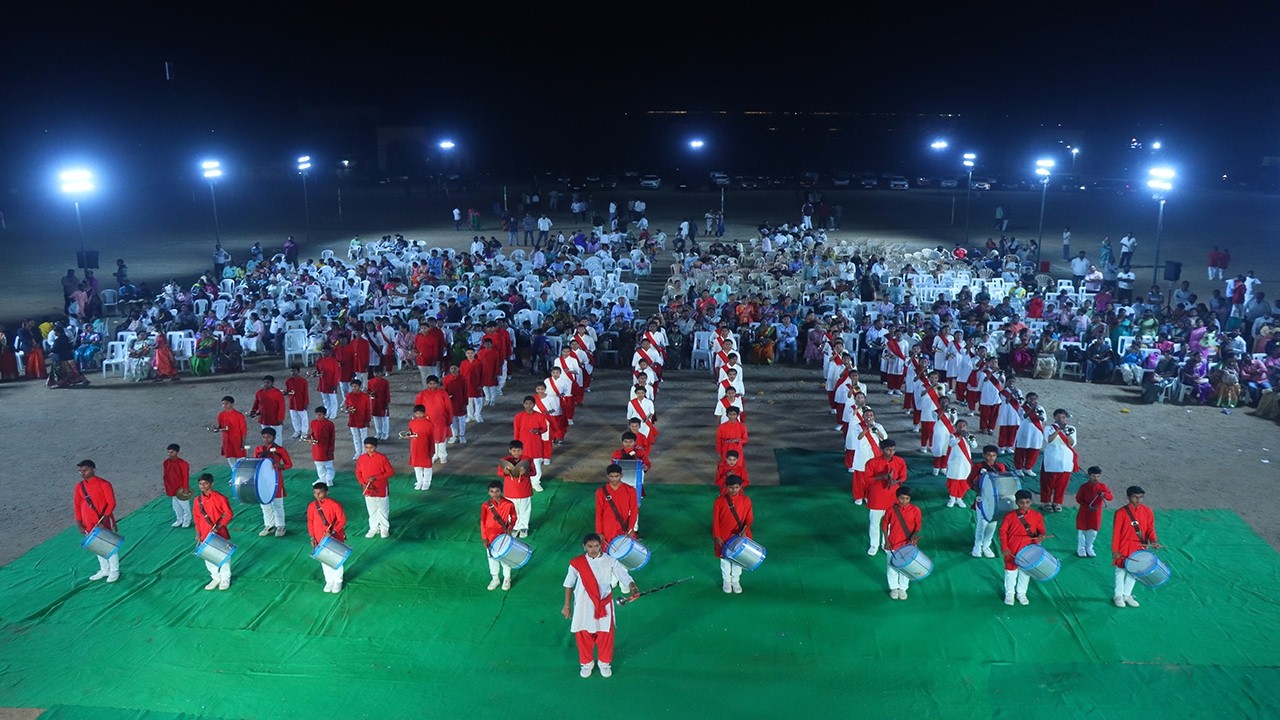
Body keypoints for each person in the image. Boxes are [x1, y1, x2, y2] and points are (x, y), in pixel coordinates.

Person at [562, 533, 639, 678]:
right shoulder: (576, 563)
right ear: (584, 546)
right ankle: (586, 663)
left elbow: (624, 575)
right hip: (583, 605)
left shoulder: (610, 561)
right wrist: (567, 606)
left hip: (604, 604)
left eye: (596, 546)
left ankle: (604, 663)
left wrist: (633, 588)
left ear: (601, 545)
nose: (593, 549)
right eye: (590, 546)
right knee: (583, 634)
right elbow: (569, 584)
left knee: (605, 635)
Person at [1112, 485, 1161, 608]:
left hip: (1140, 546)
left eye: (1141, 497)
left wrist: (1154, 540)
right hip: (1124, 545)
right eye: (1135, 497)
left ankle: (1127, 595)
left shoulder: (1148, 511)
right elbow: (1116, 532)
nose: (1138, 500)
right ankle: (1118, 595)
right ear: (1128, 497)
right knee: (1121, 571)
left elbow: (1150, 528)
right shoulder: (1121, 513)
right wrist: (1115, 550)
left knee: (1135, 571)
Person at [74, 460, 119, 582]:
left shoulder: (104, 484)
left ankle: (114, 570)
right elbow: (77, 505)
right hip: (87, 522)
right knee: (96, 546)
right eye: (80, 471)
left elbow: (111, 503)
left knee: (109, 546)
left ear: (93, 469)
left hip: (101, 521)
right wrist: (79, 523)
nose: (83, 473)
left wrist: (103, 520)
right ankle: (104, 569)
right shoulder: (79, 487)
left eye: (85, 470)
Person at [999, 490, 1046, 606]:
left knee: (1025, 572)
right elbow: (1003, 532)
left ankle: (1021, 593)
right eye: (1021, 503)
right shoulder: (1010, 516)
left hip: (1029, 547)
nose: (1024, 505)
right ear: (1016, 502)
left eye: (1027, 502)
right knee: (1011, 571)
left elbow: (1041, 530)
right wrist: (1005, 547)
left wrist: (1041, 536)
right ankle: (1009, 593)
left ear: (1031, 502)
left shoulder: (1037, 515)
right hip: (1012, 547)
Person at [190, 471, 234, 591]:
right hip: (204, 533)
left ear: (211, 484)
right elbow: (197, 517)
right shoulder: (197, 500)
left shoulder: (220, 498)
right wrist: (198, 532)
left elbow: (229, 514)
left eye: (205, 483)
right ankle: (215, 577)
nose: (202, 486)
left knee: (223, 555)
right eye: (200, 484)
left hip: (219, 532)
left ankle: (225, 578)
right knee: (208, 556)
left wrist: (220, 526)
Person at [864, 440, 908, 555]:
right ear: (881, 450)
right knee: (874, 523)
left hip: (892, 498)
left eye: (893, 449)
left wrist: (896, 481)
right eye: (888, 450)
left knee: (889, 524)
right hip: (877, 497)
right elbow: (867, 479)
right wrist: (881, 477)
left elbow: (903, 477)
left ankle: (886, 544)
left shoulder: (900, 461)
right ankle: (874, 545)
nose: (891, 452)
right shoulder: (872, 463)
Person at [713, 475, 754, 594]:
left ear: (741, 487)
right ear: (726, 487)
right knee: (725, 559)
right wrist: (717, 536)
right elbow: (715, 520)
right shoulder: (719, 501)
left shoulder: (746, 500)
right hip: (724, 535)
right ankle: (726, 580)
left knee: (738, 559)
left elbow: (749, 517)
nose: (734, 490)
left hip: (740, 535)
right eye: (731, 488)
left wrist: (745, 529)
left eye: (736, 487)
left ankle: (735, 580)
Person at [882, 486, 922, 601]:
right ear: (897, 498)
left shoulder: (916, 510)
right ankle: (894, 588)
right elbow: (884, 524)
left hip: (908, 545)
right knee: (892, 567)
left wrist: (914, 535)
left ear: (910, 499)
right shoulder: (891, 510)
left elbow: (918, 525)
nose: (904, 501)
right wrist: (887, 540)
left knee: (905, 567)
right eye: (901, 498)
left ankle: (903, 588)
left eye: (907, 498)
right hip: (893, 544)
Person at [307, 482, 348, 593]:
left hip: (335, 537)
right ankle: (329, 581)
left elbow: (342, 520)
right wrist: (312, 537)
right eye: (315, 493)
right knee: (324, 560)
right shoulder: (312, 506)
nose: (317, 495)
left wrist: (333, 531)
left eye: (320, 492)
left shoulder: (335, 504)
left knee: (336, 559)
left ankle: (338, 581)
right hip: (319, 537)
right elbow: (310, 522)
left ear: (327, 492)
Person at [968, 445, 1008, 557]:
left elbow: (1004, 480)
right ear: (984, 455)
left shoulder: (1000, 466)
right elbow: (970, 480)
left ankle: (986, 545)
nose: (991, 458)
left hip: (996, 501)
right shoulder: (978, 466)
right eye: (989, 455)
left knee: (993, 523)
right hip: (982, 499)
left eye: (994, 455)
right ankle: (977, 546)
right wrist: (977, 485)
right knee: (982, 523)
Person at [252, 428, 292, 537]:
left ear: (274, 437)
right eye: (264, 437)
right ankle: (269, 525)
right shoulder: (258, 449)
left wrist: (281, 466)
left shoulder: (280, 450)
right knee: (264, 504)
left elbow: (289, 464)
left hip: (276, 480)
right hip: (262, 481)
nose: (266, 439)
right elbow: (255, 463)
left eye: (268, 437)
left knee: (278, 504)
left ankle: (280, 526)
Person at [481, 480, 518, 590]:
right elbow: (482, 522)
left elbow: (514, 517)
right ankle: (495, 578)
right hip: (490, 536)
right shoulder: (485, 506)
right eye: (492, 491)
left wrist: (510, 528)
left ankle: (507, 578)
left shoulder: (509, 504)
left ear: (501, 491)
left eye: (497, 491)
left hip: (503, 535)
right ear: (488, 493)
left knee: (505, 557)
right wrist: (484, 538)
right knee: (491, 557)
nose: (494, 493)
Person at [1040, 408, 1079, 512]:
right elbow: (1049, 440)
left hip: (1065, 460)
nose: (1061, 419)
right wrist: (1058, 430)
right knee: (1047, 483)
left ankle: (1057, 502)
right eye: (1058, 417)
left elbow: (1071, 443)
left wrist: (1066, 432)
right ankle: (1046, 502)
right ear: (1054, 418)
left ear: (1066, 418)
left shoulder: (1071, 429)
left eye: (1063, 417)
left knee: (1062, 484)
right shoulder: (1049, 428)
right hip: (1052, 459)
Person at [356, 437, 394, 538]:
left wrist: (376, 478)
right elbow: (358, 472)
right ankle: (373, 528)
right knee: (371, 510)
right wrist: (362, 483)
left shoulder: (382, 458)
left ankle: (384, 529)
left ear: (376, 447)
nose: (369, 450)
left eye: (371, 447)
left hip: (380, 487)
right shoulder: (361, 458)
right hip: (367, 488)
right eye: (367, 447)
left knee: (383, 509)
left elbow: (390, 472)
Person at [1075, 466, 1114, 558]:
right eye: (1093, 476)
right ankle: (1081, 548)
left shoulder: (1102, 487)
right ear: (1089, 475)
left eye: (1098, 476)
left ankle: (1089, 547)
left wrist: (1104, 494)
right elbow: (1078, 499)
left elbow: (1110, 497)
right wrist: (1087, 506)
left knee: (1093, 531)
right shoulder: (1084, 487)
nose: (1096, 478)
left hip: (1096, 512)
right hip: (1084, 511)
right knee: (1082, 530)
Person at [512, 397, 550, 490]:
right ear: (523, 404)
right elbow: (516, 431)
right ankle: (523, 482)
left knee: (536, 463)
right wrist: (516, 445)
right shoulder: (518, 416)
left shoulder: (540, 416)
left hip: (535, 444)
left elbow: (544, 428)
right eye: (526, 403)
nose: (528, 406)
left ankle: (536, 482)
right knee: (523, 464)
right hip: (523, 444)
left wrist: (538, 431)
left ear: (534, 405)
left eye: (530, 403)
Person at [595, 463, 638, 545]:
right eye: (611, 476)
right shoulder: (600, 492)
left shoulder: (630, 490)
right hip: (607, 528)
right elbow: (599, 512)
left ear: (621, 475)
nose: (614, 479)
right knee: (608, 552)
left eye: (617, 476)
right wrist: (599, 532)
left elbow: (634, 510)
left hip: (624, 527)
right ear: (607, 476)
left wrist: (630, 528)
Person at [499, 440, 535, 538]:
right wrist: (505, 472)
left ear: (522, 450)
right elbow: (499, 473)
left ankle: (524, 527)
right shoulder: (504, 461)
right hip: (510, 491)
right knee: (513, 510)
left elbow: (534, 472)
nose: (516, 453)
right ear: (509, 450)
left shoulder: (528, 460)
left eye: (518, 450)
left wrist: (526, 472)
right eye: (514, 450)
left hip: (524, 490)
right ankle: (514, 526)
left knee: (524, 509)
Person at [406, 404, 436, 490]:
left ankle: (427, 482)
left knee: (427, 467)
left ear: (424, 413)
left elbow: (431, 438)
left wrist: (431, 450)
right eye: (416, 413)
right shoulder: (412, 423)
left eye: (420, 413)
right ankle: (419, 481)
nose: (418, 415)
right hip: (415, 448)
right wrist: (408, 436)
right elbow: (411, 433)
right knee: (417, 466)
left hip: (425, 448)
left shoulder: (429, 424)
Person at [214, 396, 248, 468]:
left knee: (240, 457)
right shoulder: (221, 415)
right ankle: (234, 474)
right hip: (227, 440)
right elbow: (220, 426)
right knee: (230, 457)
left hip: (237, 439)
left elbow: (243, 429)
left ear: (232, 404)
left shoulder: (239, 415)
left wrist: (243, 441)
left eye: (227, 403)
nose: (224, 406)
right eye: (223, 404)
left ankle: (242, 474)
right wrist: (217, 429)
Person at [162, 443, 191, 528]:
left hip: (180, 489)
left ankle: (187, 520)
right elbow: (165, 476)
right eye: (168, 452)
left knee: (185, 506)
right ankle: (179, 519)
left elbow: (185, 477)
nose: (169, 454)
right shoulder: (166, 463)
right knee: (176, 506)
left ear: (177, 452)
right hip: (172, 489)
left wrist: (185, 489)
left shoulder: (183, 464)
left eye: (171, 452)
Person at [251, 375, 286, 440]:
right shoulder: (259, 393)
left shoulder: (277, 393)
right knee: (266, 435)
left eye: (268, 383)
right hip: (264, 417)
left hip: (275, 418)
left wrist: (280, 418)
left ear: (272, 383)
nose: (265, 384)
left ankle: (277, 449)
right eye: (264, 382)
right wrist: (253, 411)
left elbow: (282, 407)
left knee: (277, 435)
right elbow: (256, 403)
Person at [344, 378, 372, 460]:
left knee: (364, 436)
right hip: (353, 419)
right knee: (355, 436)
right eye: (352, 386)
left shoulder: (365, 396)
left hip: (362, 418)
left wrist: (368, 420)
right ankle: (358, 451)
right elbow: (347, 406)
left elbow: (368, 409)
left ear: (359, 387)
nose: (354, 388)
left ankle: (364, 451)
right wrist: (348, 409)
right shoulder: (349, 396)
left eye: (355, 386)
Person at [308, 406, 336, 486]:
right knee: (319, 465)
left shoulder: (330, 424)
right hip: (317, 448)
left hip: (326, 447)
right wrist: (309, 438)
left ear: (324, 415)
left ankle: (329, 479)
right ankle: (322, 479)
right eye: (316, 415)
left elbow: (332, 438)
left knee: (328, 465)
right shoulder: (313, 422)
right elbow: (312, 433)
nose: (317, 416)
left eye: (319, 415)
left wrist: (331, 449)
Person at [285, 365, 310, 440]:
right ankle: (297, 430)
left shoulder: (303, 381)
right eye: (291, 371)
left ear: (298, 371)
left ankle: (304, 431)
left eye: (294, 371)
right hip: (292, 401)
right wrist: (285, 393)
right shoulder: (288, 381)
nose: (292, 372)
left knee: (304, 418)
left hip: (301, 402)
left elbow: (306, 393)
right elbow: (288, 391)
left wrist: (306, 403)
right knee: (294, 417)